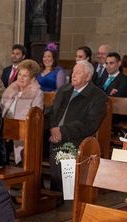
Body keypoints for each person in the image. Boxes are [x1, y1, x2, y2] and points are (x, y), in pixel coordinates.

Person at [45, 60, 108, 192]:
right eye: (73, 72)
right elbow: (52, 113)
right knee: (30, 148)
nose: (73, 75)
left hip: (76, 138)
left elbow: (90, 124)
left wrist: (62, 131)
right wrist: (52, 129)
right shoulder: (64, 90)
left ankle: (66, 198)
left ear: (88, 77)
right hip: (54, 136)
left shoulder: (97, 96)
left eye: (78, 73)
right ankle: (48, 196)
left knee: (63, 153)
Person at [0, 59, 43, 164]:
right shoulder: (10, 90)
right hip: (6, 130)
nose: (21, 78)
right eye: (20, 74)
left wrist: (13, 130)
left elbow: (36, 117)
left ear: (32, 79)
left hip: (24, 133)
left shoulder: (37, 93)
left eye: (25, 76)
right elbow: (1, 111)